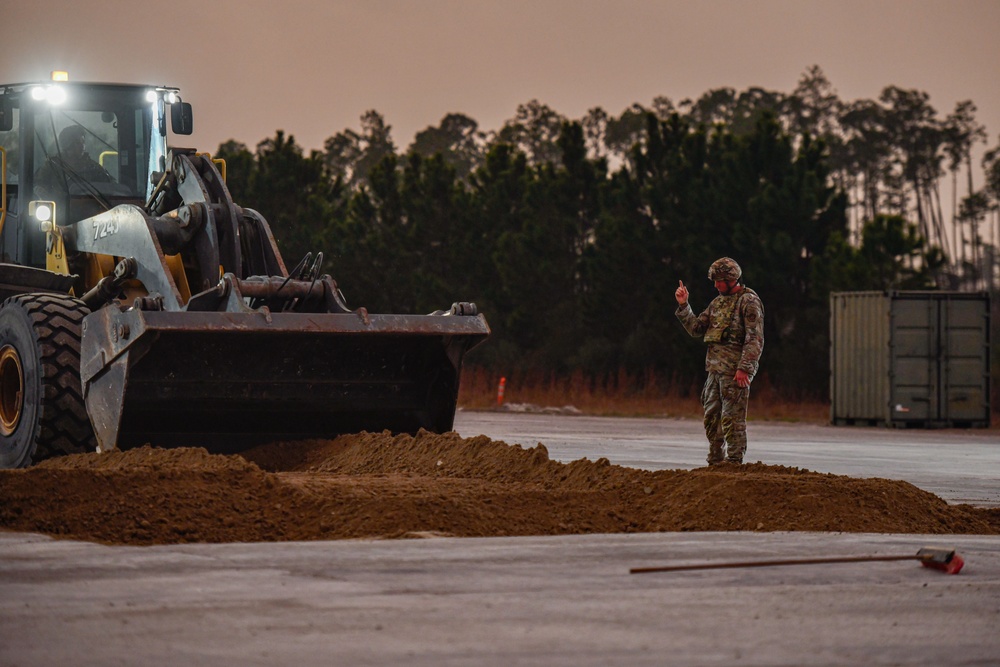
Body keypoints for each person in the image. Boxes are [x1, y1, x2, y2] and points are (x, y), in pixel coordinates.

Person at [674, 257, 764, 465]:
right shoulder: (717, 303)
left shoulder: (748, 301)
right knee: (711, 417)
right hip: (714, 371)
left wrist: (745, 368)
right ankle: (715, 459)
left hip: (734, 372)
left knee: (732, 419)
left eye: (720, 281)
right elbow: (697, 328)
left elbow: (755, 338)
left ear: (732, 279)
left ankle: (734, 462)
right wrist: (684, 305)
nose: (716, 285)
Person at [34, 124, 114, 196]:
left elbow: (111, 186)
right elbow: (38, 183)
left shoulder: (93, 167)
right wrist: (41, 191)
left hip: (87, 208)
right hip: (58, 208)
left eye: (83, 142)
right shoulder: (53, 164)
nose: (82, 146)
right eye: (77, 143)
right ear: (67, 144)